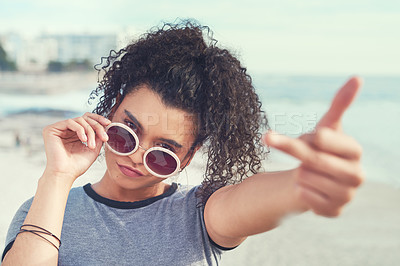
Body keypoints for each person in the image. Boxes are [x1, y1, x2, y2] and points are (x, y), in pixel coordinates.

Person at [2, 21, 364, 265]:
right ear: (110, 112)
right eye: (126, 132)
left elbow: (249, 201)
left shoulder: (199, 216)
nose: (138, 156)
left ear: (190, 156)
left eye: (164, 152)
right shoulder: (42, 210)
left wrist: (303, 184)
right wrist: (57, 177)